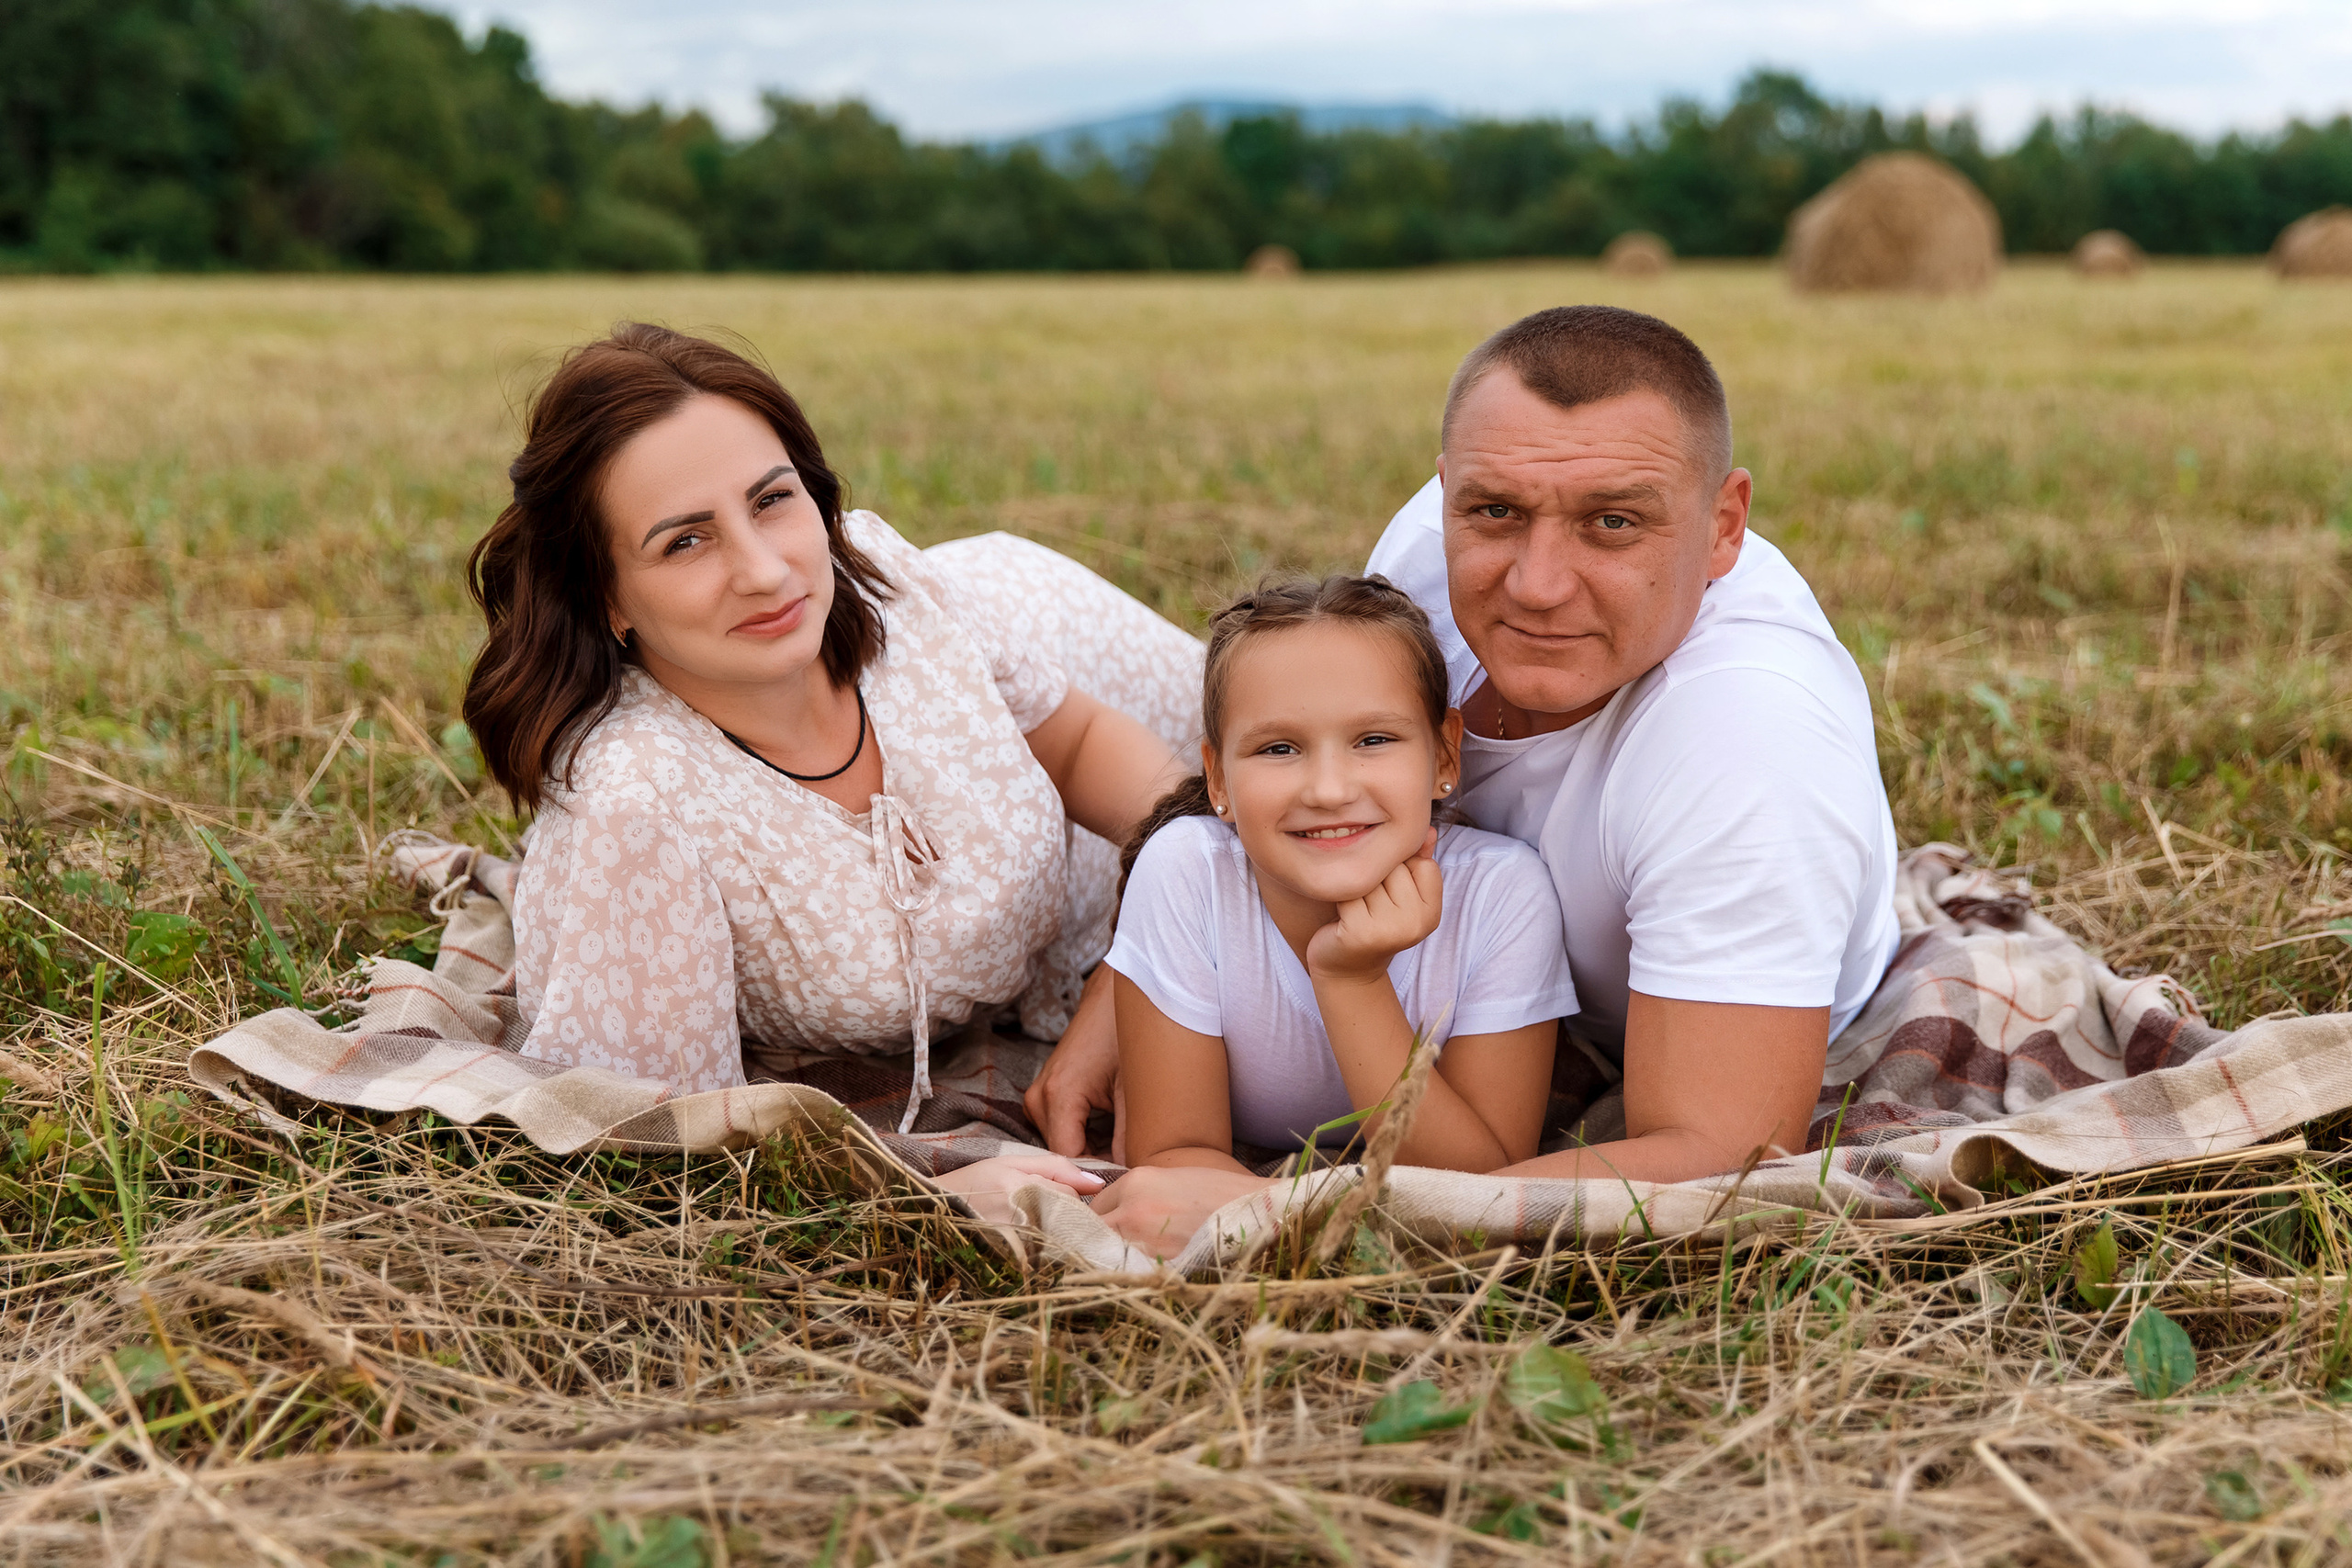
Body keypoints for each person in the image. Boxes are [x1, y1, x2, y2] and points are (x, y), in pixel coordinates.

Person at [1081, 304, 1902, 1255]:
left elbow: (1719, 1152)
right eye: (1494, 512)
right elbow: (1295, 766)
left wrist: (1286, 1216)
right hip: (1448, 982)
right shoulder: (1425, 558)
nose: (1537, 584)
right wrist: (1134, 983)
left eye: (1612, 522)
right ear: (1446, 494)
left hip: (1670, 1013)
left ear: (1723, 528)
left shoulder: (1748, 738)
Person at [463, 321, 1201, 1212]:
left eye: (772, 500)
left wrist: (1135, 979)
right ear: (606, 597)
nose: (767, 572)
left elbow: (1086, 744)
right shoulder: (639, 809)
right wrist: (927, 1196)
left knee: (1333, 785)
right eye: (685, 542)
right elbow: (659, 1151)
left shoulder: (887, 582)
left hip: (1064, 633)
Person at [1107, 576, 1575, 1176]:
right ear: (1218, 779)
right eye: (1279, 748)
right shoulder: (1187, 873)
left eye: (1374, 739)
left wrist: (1352, 980)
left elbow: (1482, 1185)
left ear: (1444, 756)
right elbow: (1175, 1163)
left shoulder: (1504, 896)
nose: (1329, 790)